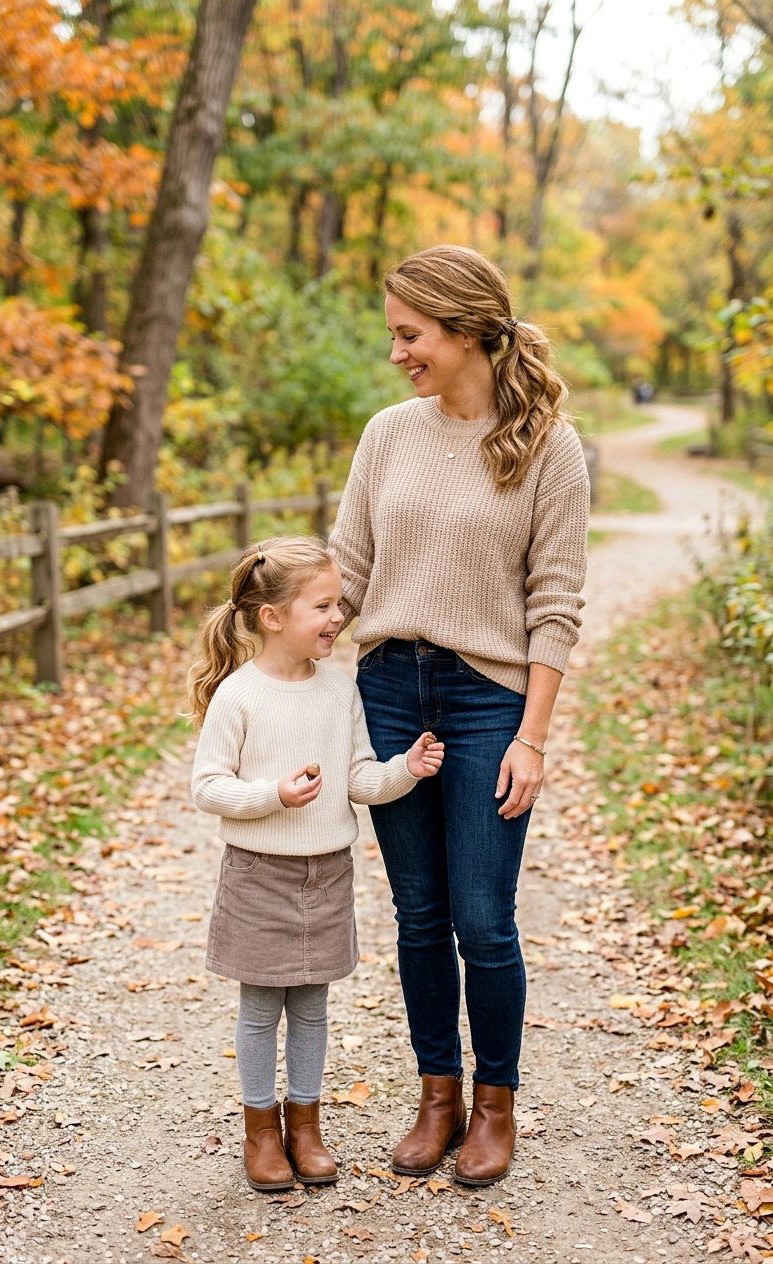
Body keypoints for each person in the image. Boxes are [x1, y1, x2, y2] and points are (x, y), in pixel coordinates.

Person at [329, 244, 589, 1186]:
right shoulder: (388, 434)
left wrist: (532, 737)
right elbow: (347, 571)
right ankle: (436, 1096)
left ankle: (495, 1107)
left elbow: (555, 604)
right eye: (394, 334)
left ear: (467, 328)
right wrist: (282, 652)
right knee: (418, 910)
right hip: (390, 690)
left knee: (483, 918)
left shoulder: (548, 445)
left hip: (488, 702)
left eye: (410, 334)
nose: (397, 352)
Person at [187, 536, 445, 1194]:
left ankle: (306, 1124)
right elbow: (207, 787)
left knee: (311, 1007)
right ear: (272, 617)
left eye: (340, 604)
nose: (338, 617)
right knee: (258, 1008)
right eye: (322, 605)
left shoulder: (340, 688)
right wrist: (272, 795)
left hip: (326, 870)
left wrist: (403, 773)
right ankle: (262, 1131)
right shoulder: (238, 696)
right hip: (258, 873)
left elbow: (358, 776)